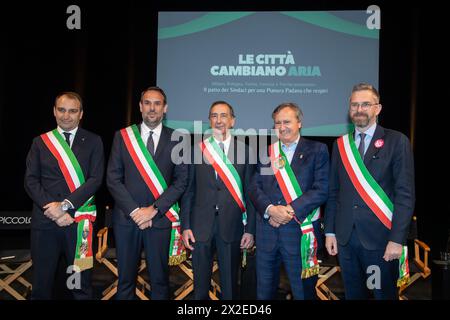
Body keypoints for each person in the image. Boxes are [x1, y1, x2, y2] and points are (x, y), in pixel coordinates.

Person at [324, 83, 415, 300]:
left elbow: (405, 195)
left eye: (366, 104)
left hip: (381, 241)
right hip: (346, 238)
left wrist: (397, 239)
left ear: (378, 108)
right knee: (354, 295)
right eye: (354, 105)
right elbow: (333, 192)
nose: (359, 109)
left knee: (381, 294)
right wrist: (330, 231)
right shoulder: (340, 145)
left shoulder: (396, 141)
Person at [107, 86, 188, 300]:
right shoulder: (123, 136)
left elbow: (181, 181)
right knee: (125, 281)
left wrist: (153, 211)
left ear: (165, 108)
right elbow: (113, 179)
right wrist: (136, 212)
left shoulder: (178, 139)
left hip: (160, 220)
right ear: (140, 107)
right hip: (127, 219)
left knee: (160, 281)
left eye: (157, 103)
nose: (152, 108)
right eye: (148, 103)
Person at [24, 92, 104, 299]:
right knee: (42, 285)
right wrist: (52, 208)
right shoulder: (40, 142)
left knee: (78, 284)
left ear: (81, 114)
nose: (66, 116)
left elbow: (95, 179)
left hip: (78, 223)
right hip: (46, 222)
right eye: (62, 110)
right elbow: (31, 181)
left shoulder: (94, 141)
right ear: (54, 111)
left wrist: (66, 206)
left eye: (72, 111)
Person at [250, 102, 329, 300]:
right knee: (263, 294)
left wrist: (288, 211)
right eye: (277, 123)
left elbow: (321, 189)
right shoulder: (267, 152)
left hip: (299, 233)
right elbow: (255, 186)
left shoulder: (317, 150)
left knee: (303, 293)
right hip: (267, 232)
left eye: (287, 121)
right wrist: (270, 209)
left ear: (299, 123)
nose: (282, 127)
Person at [180, 101, 256, 300]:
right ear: (209, 120)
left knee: (230, 288)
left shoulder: (246, 151)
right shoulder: (196, 150)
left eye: (223, 116)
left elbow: (251, 194)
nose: (219, 120)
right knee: (199, 289)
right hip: (199, 227)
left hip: (232, 226)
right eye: (214, 115)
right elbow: (188, 191)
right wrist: (186, 226)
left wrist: (250, 230)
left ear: (232, 121)